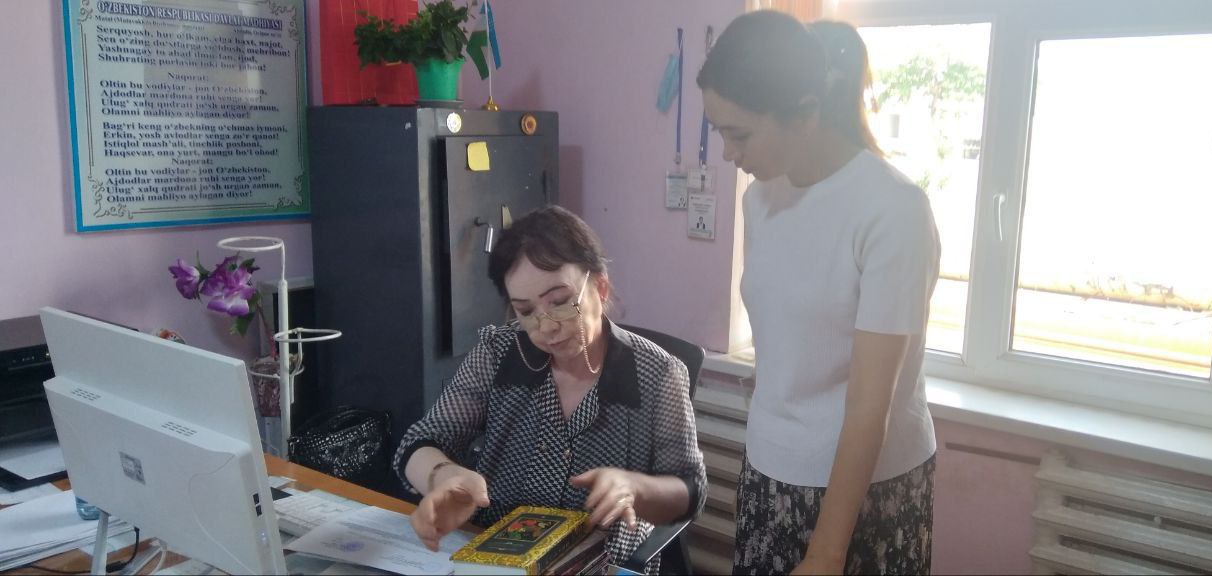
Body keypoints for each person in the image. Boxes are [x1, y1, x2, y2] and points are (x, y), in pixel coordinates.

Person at [698, 12, 941, 576]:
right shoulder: (760, 198)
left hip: (863, 487)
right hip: (770, 469)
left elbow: (870, 407)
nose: (728, 153)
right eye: (718, 131)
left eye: (740, 134)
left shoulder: (892, 209)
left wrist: (826, 553)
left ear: (805, 113)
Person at [392, 206, 707, 571]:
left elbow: (690, 491)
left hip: (599, 563)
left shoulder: (657, 373)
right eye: (526, 311)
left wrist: (635, 489)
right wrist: (442, 476)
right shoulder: (499, 352)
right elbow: (421, 441)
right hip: (496, 557)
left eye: (559, 303)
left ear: (600, 287)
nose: (546, 327)